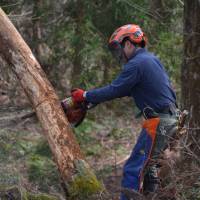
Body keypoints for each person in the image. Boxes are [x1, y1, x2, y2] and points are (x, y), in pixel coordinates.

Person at [70, 24, 178, 200]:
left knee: (133, 169)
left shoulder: (136, 64)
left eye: (118, 48)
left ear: (128, 44)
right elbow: (125, 90)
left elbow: (114, 89)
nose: (118, 54)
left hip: (159, 122)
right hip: (170, 119)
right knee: (150, 172)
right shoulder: (150, 60)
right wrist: (90, 101)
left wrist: (85, 95)